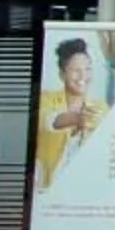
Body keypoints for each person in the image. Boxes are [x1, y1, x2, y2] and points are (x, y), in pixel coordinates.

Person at [34, 37, 108, 191]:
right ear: (62, 75)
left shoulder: (101, 107)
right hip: (47, 190)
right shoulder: (46, 98)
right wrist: (76, 118)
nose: (83, 77)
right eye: (76, 70)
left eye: (87, 69)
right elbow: (48, 120)